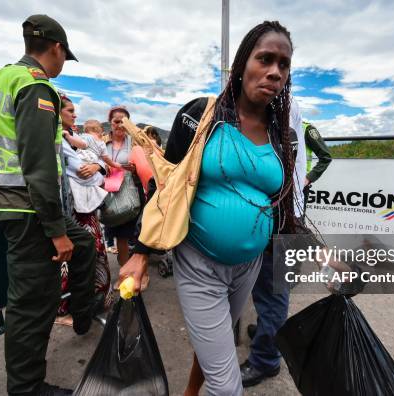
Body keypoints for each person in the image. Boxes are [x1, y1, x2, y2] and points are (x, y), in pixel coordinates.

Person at [117, 21, 297, 396]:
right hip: (200, 263)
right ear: (241, 63)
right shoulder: (201, 115)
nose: (274, 72)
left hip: (249, 266)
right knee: (227, 386)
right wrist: (140, 252)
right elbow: (165, 186)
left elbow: (283, 207)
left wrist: (318, 256)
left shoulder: (283, 133)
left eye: (283, 64)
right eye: (265, 59)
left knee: (214, 347)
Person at [0, 15, 95, 395]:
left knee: (84, 245)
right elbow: (39, 165)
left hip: (9, 204)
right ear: (57, 49)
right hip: (30, 210)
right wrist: (56, 232)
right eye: (65, 57)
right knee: (33, 304)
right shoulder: (36, 87)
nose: (63, 65)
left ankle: (83, 313)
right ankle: (27, 388)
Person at [241, 102, 333, 387]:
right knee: (265, 286)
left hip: (286, 219)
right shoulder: (269, 126)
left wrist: (306, 180)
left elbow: (323, 158)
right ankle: (269, 334)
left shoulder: (293, 128)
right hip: (273, 220)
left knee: (274, 289)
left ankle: (266, 360)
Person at [57, 96, 114, 323]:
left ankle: (96, 300)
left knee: (93, 251)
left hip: (85, 209)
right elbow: (84, 173)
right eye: (69, 110)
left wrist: (98, 166)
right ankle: (73, 308)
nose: (74, 114)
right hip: (69, 210)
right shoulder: (56, 139)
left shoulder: (76, 138)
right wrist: (97, 171)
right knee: (72, 257)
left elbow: (101, 169)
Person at [103, 106, 144, 262]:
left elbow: (146, 166)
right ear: (110, 123)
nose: (120, 125)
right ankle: (124, 271)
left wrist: (136, 168)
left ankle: (127, 274)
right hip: (108, 194)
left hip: (130, 192)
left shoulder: (135, 142)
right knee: (112, 231)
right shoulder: (101, 141)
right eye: (116, 121)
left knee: (124, 236)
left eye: (124, 122)